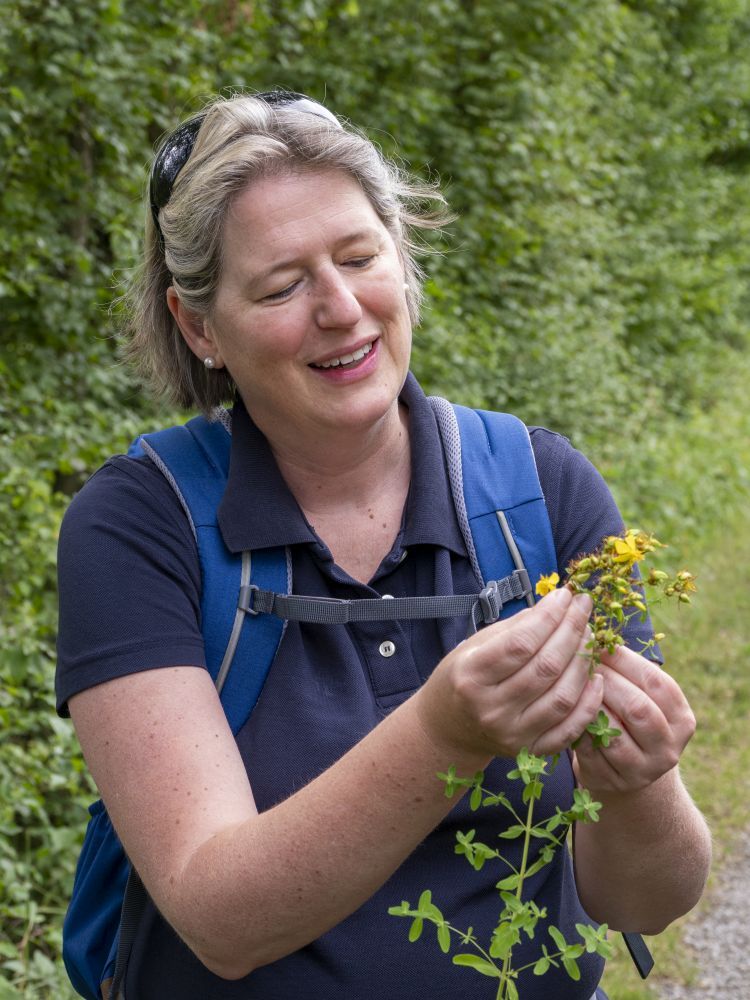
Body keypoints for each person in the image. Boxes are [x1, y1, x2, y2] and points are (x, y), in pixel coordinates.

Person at [56, 91, 711, 1000]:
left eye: (361, 257)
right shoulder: (139, 525)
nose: (340, 308)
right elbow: (220, 921)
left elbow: (645, 900)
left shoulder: (538, 487)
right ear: (200, 326)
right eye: (282, 285)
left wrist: (641, 782)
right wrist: (446, 734)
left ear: (401, 263)